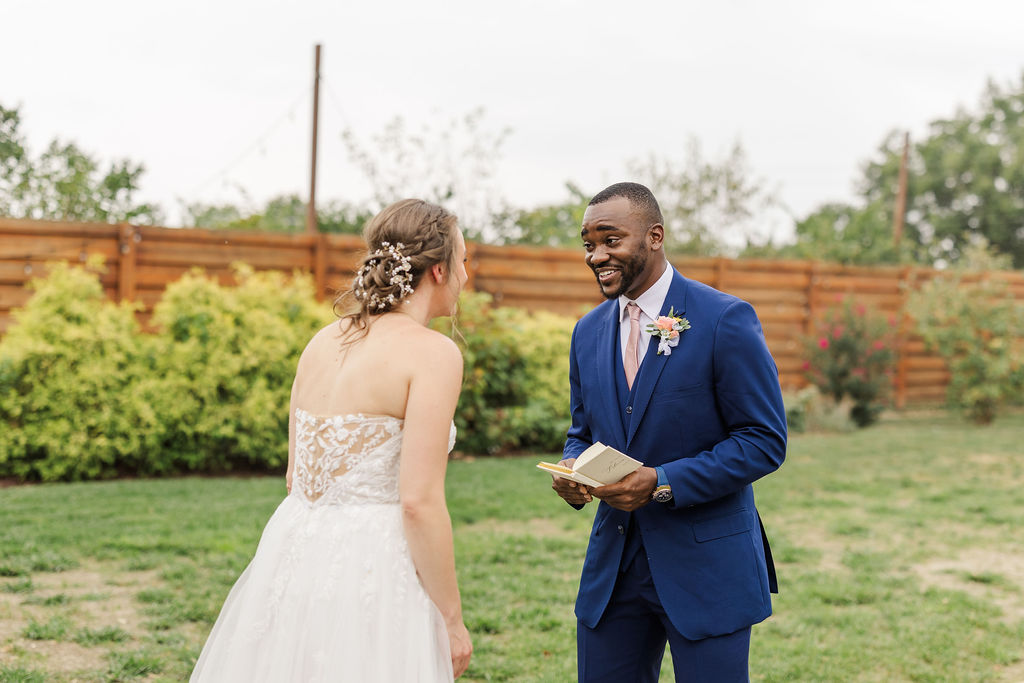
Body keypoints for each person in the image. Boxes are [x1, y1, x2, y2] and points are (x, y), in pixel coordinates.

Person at [191, 199, 473, 682]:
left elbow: (296, 475)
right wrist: (451, 620)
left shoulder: (322, 341)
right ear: (441, 271)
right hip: (376, 564)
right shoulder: (432, 354)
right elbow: (418, 503)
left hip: (294, 551)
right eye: (465, 260)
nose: (469, 275)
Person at [550, 182, 786, 682]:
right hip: (613, 569)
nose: (597, 256)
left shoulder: (724, 318)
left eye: (610, 240)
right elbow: (582, 431)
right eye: (588, 244)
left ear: (654, 236)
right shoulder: (587, 331)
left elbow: (763, 440)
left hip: (707, 564)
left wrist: (661, 480)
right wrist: (572, 468)